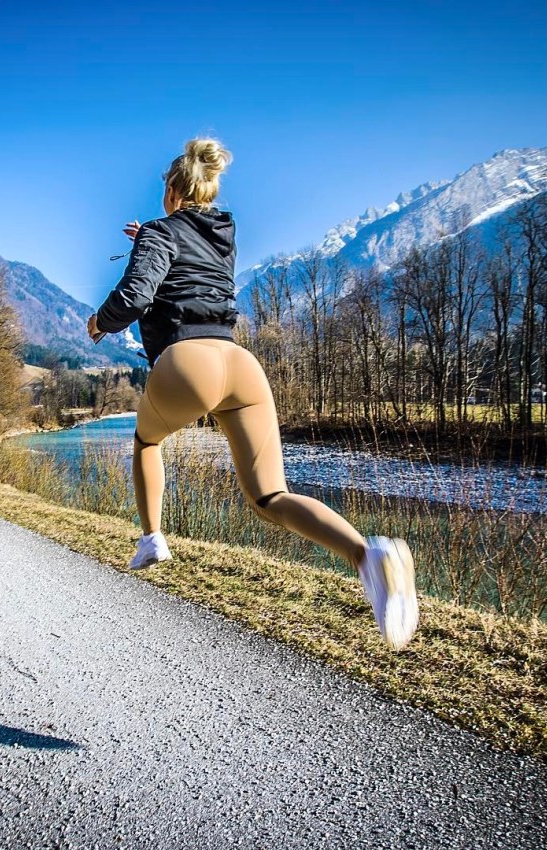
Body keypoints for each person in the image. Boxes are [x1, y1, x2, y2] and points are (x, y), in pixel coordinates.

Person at [87, 138, 418, 651]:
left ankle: (152, 538)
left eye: (163, 193)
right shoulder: (222, 235)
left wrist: (100, 323)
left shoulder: (160, 230)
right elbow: (187, 258)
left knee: (147, 443)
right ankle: (367, 555)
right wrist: (148, 242)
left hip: (186, 360)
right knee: (270, 496)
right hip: (239, 365)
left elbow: (136, 295)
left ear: (173, 190)